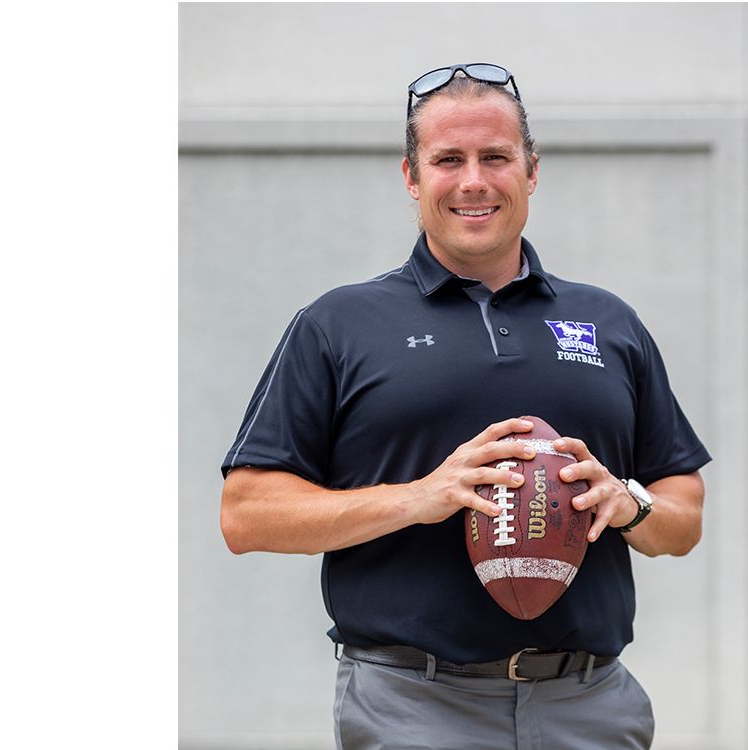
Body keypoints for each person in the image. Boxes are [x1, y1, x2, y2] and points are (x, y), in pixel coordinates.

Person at [220, 63, 710, 750]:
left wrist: (630, 504)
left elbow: (683, 514)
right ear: (412, 178)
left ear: (531, 171)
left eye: (496, 157)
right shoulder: (339, 323)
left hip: (591, 705)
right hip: (413, 705)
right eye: (448, 159)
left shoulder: (608, 322)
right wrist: (421, 497)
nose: (474, 180)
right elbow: (246, 515)